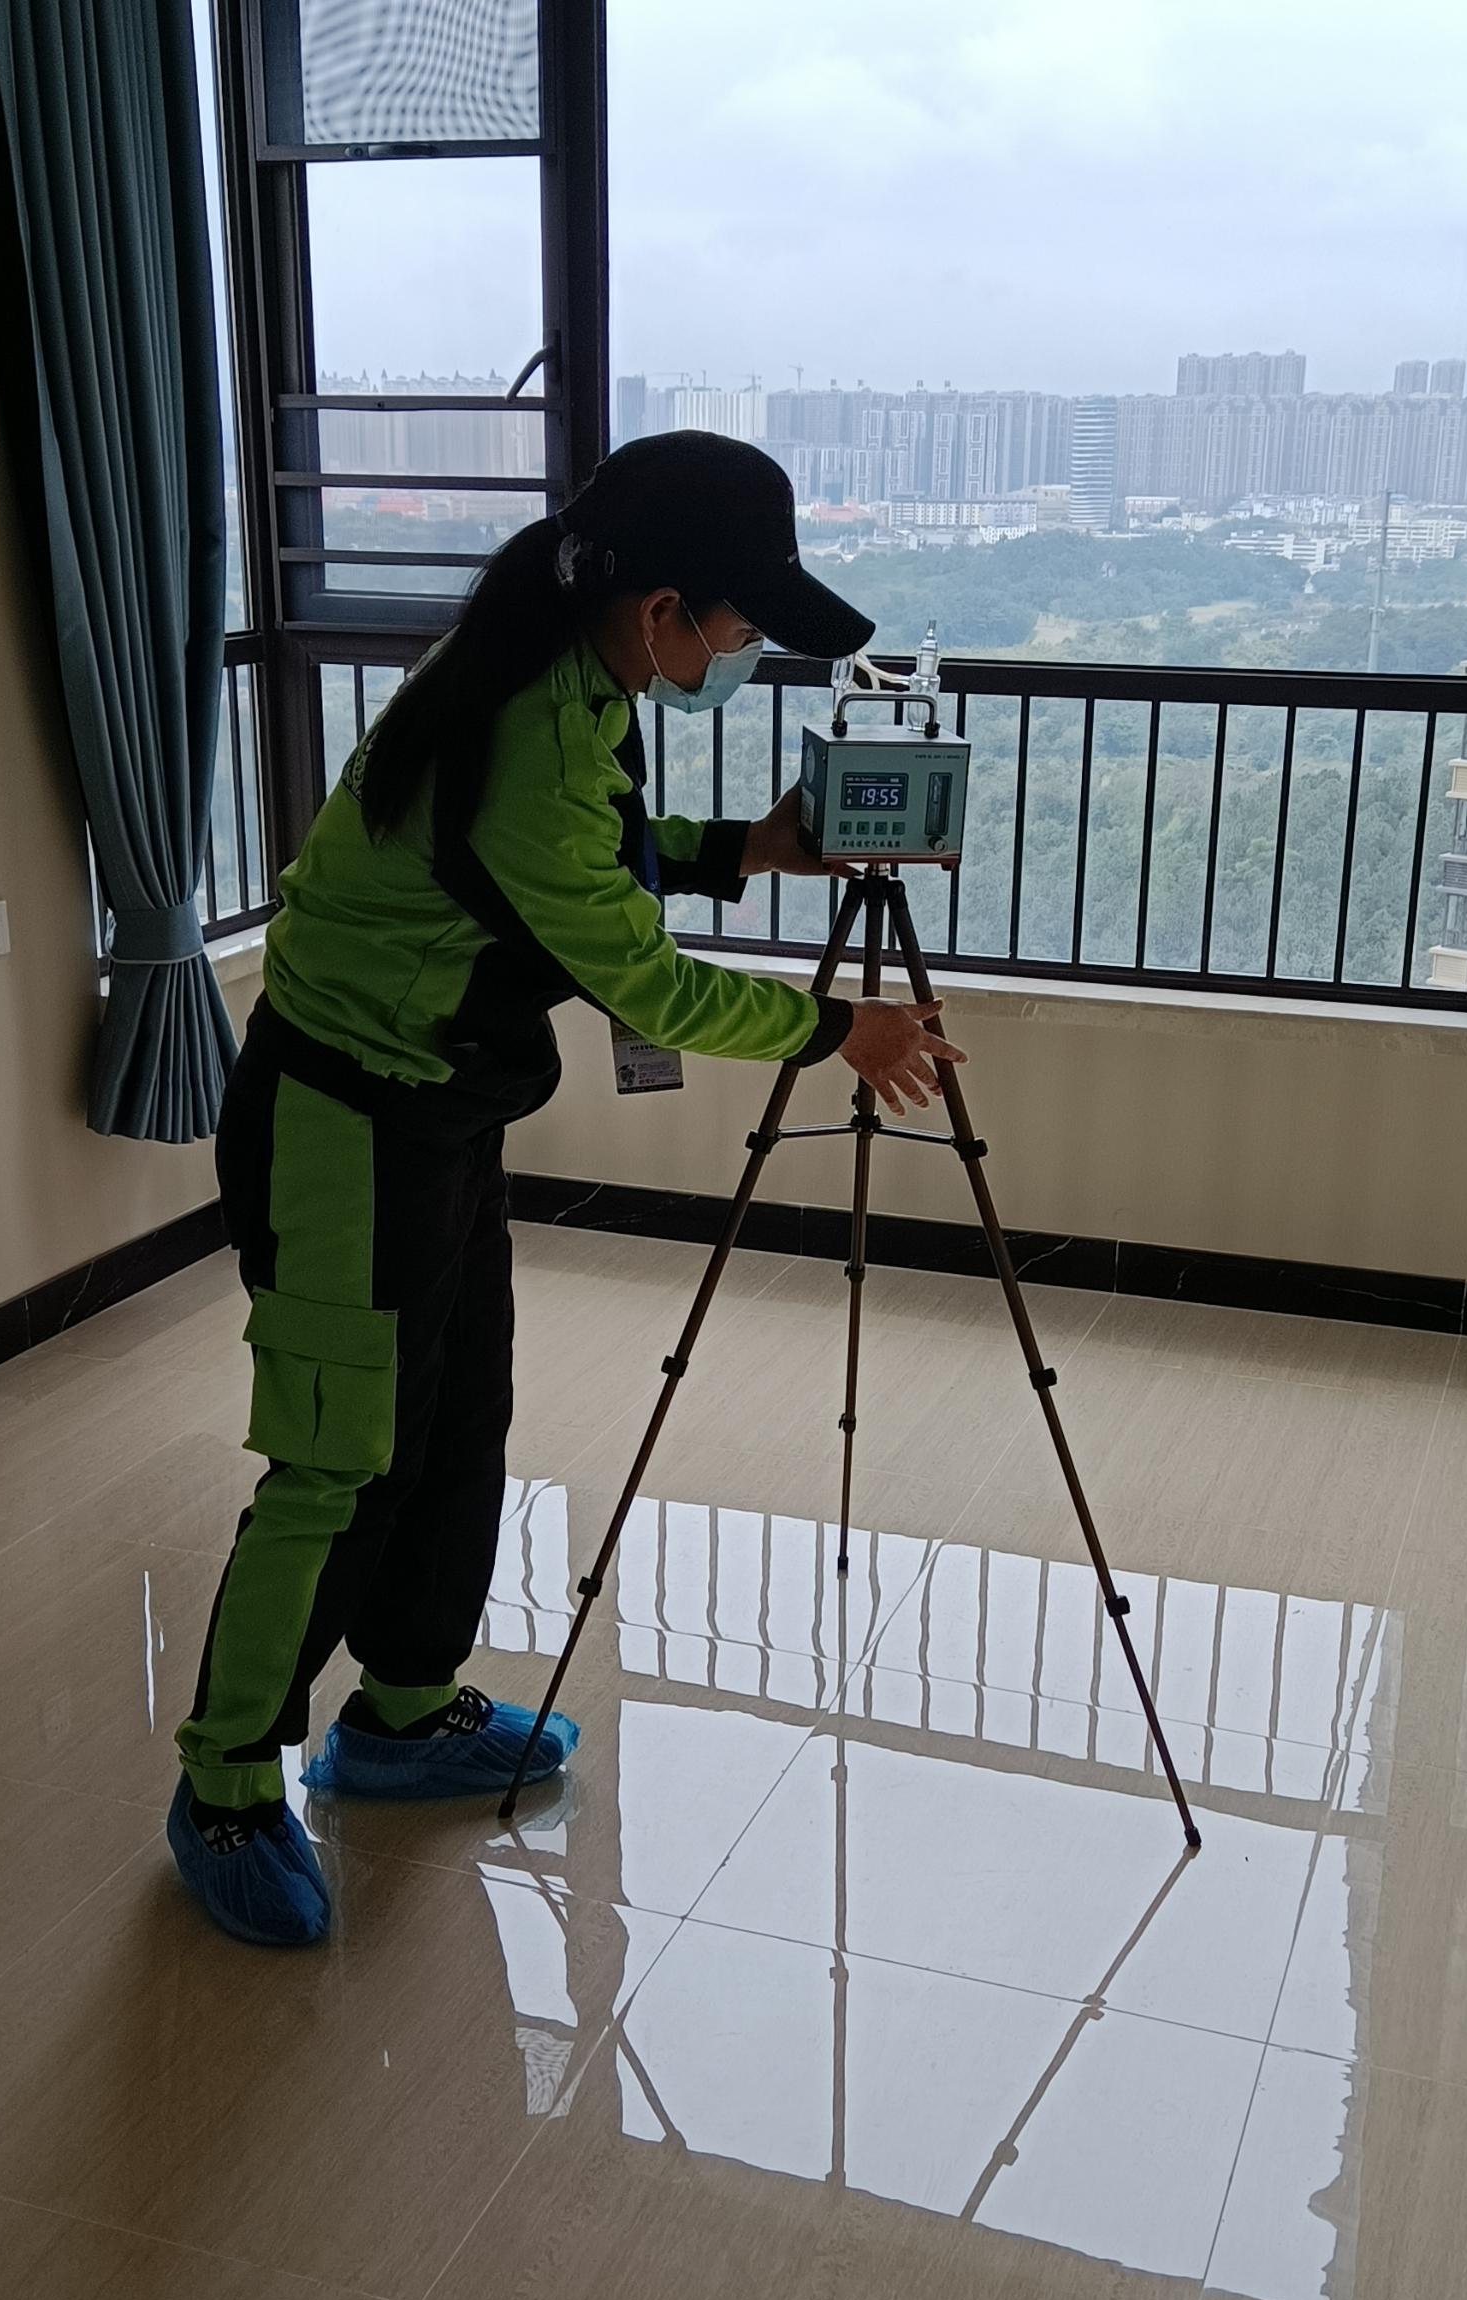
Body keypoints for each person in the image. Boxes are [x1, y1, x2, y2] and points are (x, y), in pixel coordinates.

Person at [166, 431, 965, 1945]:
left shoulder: (569, 677)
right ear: (660, 609)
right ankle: (223, 1783)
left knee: (459, 1416)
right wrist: (836, 1033)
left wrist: (748, 848)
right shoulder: (533, 721)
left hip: (441, 1105)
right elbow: (642, 981)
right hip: (344, 1119)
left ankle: (403, 1709)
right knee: (340, 1460)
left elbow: (587, 861)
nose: (740, 650)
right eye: (737, 623)